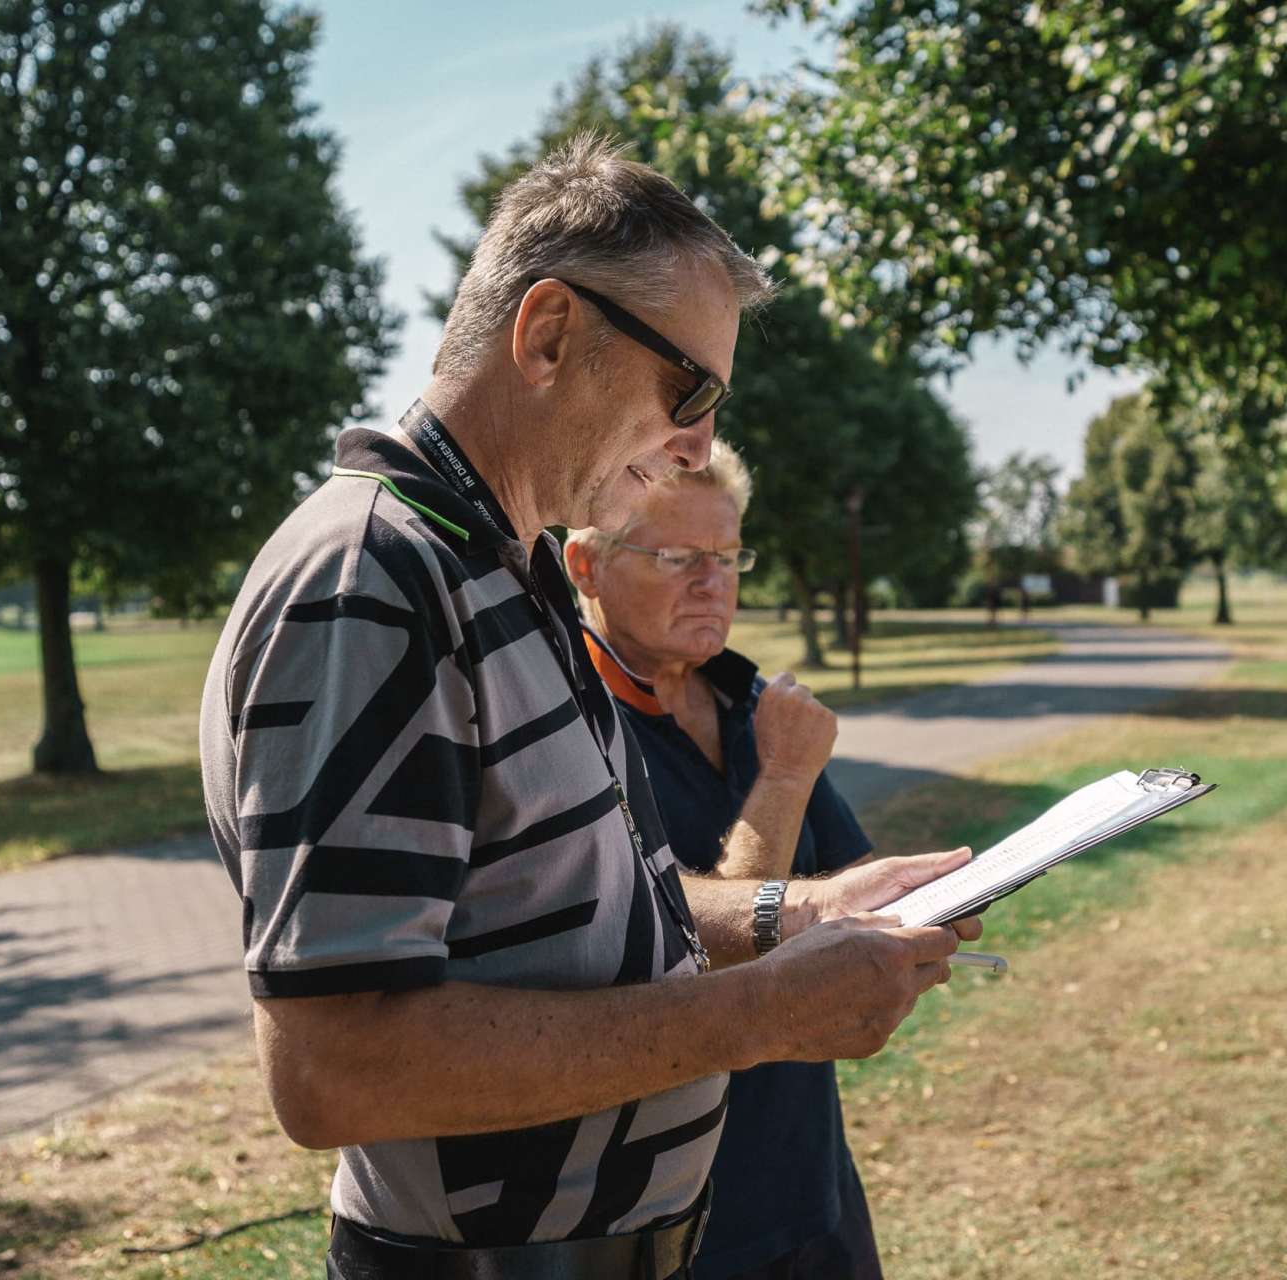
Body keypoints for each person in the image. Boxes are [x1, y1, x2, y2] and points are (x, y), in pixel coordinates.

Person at [198, 134, 978, 1280]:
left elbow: (594, 915)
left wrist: (798, 911)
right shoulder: (372, 578)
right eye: (689, 389)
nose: (699, 442)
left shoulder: (506, 572)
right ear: (550, 333)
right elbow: (333, 1063)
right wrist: (758, 1014)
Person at [563, 441, 883, 1279]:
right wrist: (784, 779)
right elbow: (705, 952)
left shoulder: (753, 703)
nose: (714, 583)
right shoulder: (565, 731)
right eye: (678, 557)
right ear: (587, 566)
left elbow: (848, 878)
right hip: (673, 1222)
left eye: (729, 556)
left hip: (810, 1182)